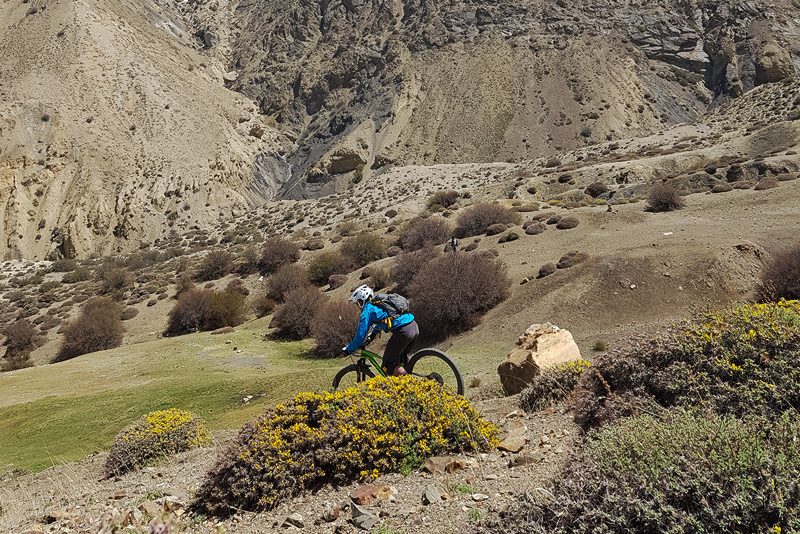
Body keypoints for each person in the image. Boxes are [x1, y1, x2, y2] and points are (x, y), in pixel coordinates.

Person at [343, 285, 419, 376]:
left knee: (388, 365)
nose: (357, 307)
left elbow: (360, 335)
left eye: (357, 304)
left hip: (403, 332)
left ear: (361, 301)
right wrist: (373, 334)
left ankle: (412, 384)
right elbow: (383, 319)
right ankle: (404, 382)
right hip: (413, 326)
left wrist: (349, 349)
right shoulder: (378, 304)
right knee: (400, 359)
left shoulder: (368, 310)